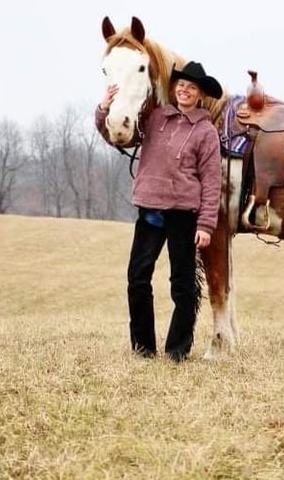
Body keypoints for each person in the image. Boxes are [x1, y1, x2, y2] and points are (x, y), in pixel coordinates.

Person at [95, 61, 223, 361]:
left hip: (183, 215)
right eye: (181, 85)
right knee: (137, 277)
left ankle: (178, 349)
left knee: (182, 285)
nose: (185, 91)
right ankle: (143, 347)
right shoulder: (154, 119)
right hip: (150, 211)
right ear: (174, 88)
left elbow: (212, 181)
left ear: (200, 94)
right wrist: (103, 108)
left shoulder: (205, 132)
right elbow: (116, 134)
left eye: (191, 88)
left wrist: (205, 225)